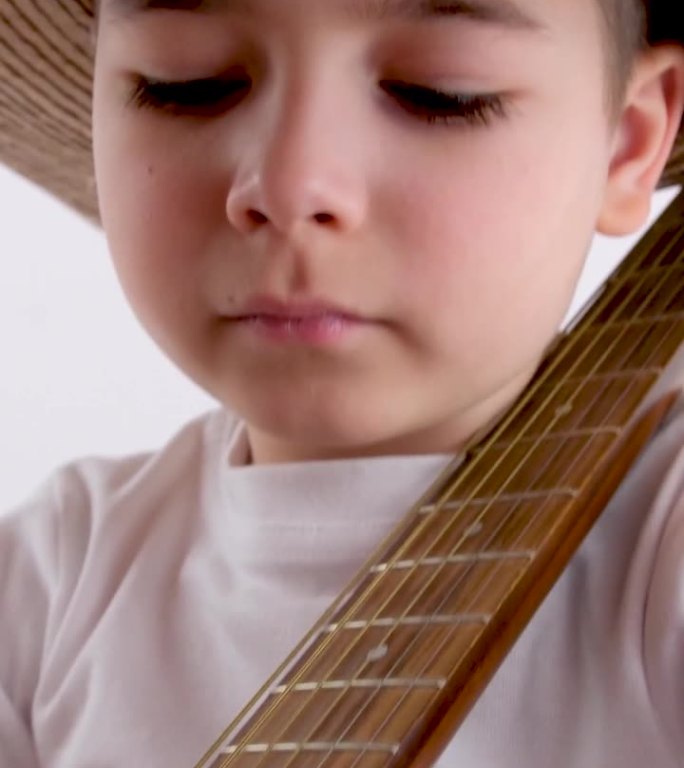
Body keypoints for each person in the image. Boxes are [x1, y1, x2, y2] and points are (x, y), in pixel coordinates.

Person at [1, 0, 684, 765]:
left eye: (439, 92)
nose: (289, 187)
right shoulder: (49, 586)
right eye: (185, 80)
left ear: (628, 141)